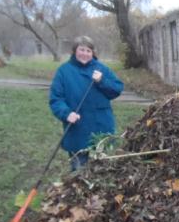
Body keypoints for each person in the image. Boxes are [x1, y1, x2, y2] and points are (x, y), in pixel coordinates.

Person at [49, 36, 124, 170]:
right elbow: (56, 99)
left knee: (103, 170)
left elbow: (117, 89)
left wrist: (102, 81)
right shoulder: (64, 71)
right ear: (74, 51)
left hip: (101, 127)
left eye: (88, 50)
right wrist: (66, 113)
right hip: (77, 130)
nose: (84, 53)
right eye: (81, 50)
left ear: (93, 53)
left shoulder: (101, 69)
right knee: (79, 173)